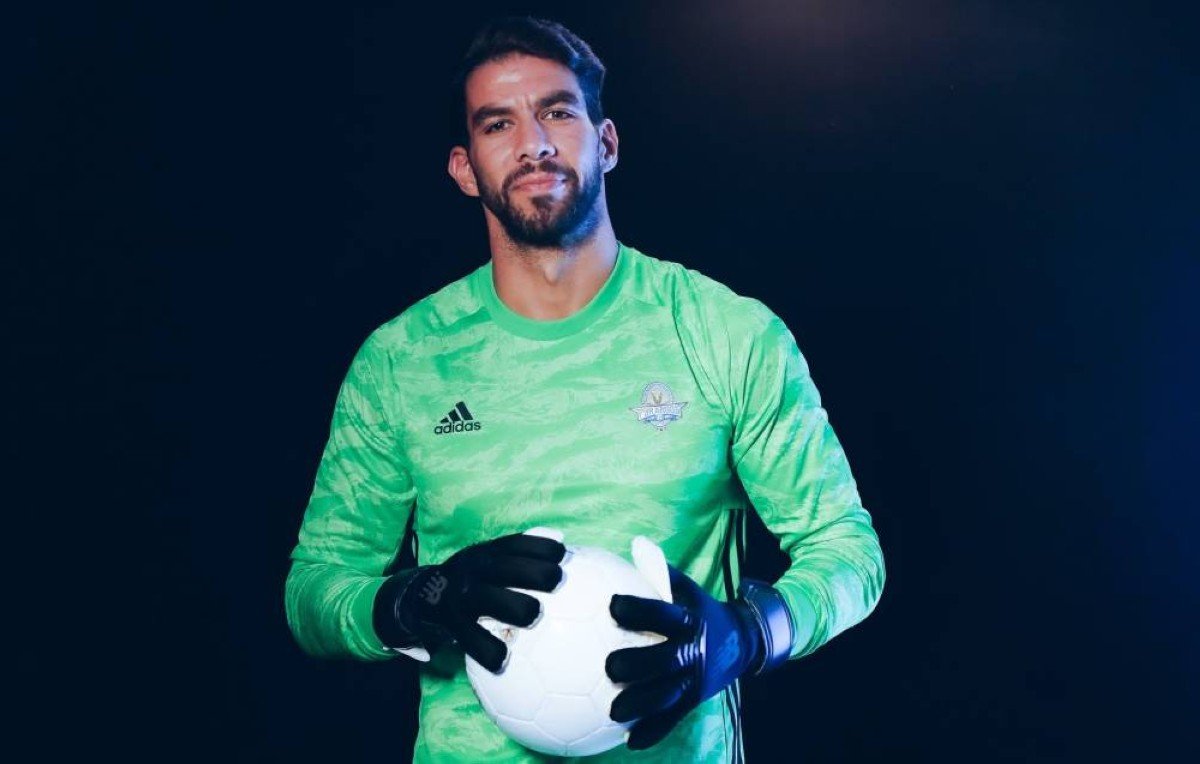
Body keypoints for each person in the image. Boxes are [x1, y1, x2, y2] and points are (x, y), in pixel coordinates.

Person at [285, 16, 886, 763]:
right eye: (498, 124)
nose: (534, 143)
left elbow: (848, 552)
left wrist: (748, 633)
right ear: (464, 168)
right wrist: (412, 602)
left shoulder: (726, 333)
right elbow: (314, 590)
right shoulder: (401, 362)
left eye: (558, 112)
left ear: (606, 143)